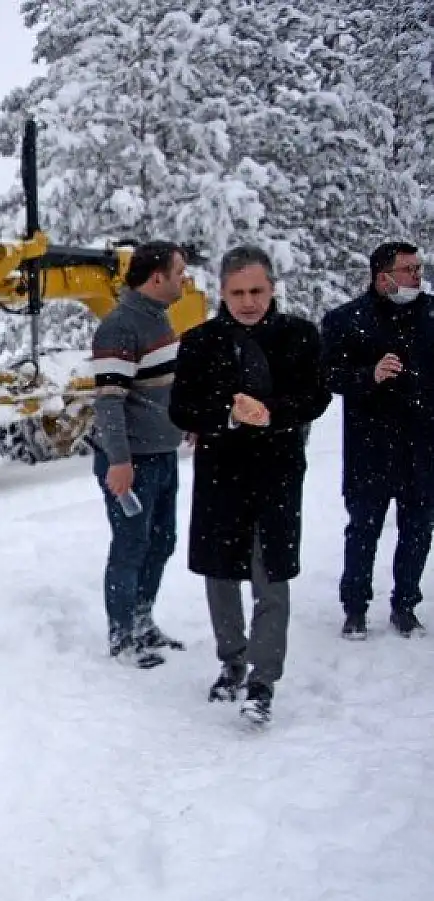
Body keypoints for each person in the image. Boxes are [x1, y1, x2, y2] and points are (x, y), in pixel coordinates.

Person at [168, 246, 330, 726]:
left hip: (278, 470)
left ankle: (263, 679)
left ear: (272, 287)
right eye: (237, 292)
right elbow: (181, 408)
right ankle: (231, 660)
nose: (248, 301)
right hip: (221, 472)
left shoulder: (299, 336)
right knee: (220, 576)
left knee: (271, 575)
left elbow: (316, 395)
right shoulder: (199, 342)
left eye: (256, 290)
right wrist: (227, 413)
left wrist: (273, 412)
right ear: (221, 292)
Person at [321, 241, 434, 639]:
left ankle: (406, 605)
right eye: (408, 270)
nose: (416, 277)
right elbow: (328, 377)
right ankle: (355, 608)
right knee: (364, 528)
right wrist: (368, 376)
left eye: (419, 269)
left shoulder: (431, 314)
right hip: (370, 445)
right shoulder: (346, 320)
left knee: (419, 528)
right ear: (381, 276)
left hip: (422, 445)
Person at [88, 240, 191, 668]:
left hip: (162, 454)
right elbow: (109, 401)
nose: (185, 279)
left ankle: (144, 621)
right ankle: (122, 637)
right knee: (132, 545)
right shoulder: (120, 327)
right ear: (156, 278)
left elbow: (160, 387)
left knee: (161, 541)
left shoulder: (156, 318)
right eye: (179, 272)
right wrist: (119, 461)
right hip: (133, 461)